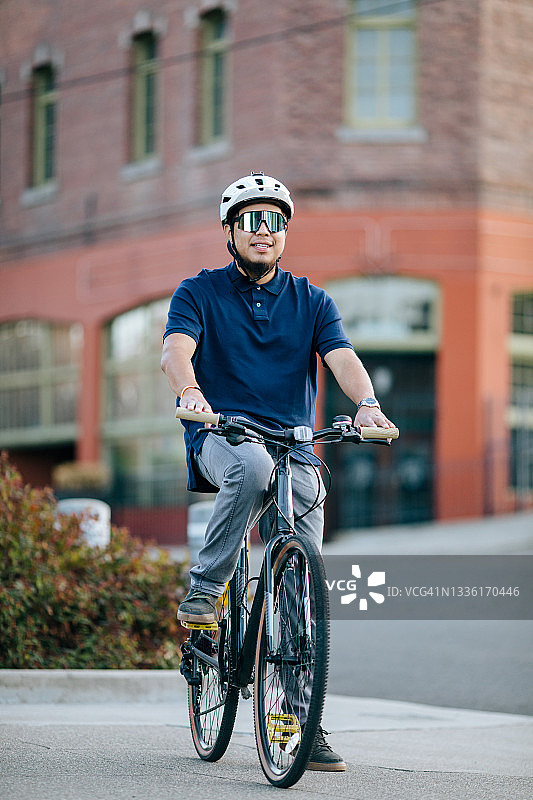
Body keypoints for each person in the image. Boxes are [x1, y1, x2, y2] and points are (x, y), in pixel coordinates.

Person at [162, 172, 395, 771]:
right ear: (229, 231)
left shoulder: (312, 300)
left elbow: (343, 359)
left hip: (293, 444)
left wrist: (366, 404)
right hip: (223, 436)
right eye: (249, 220)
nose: (262, 232)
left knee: (299, 577)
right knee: (253, 465)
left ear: (285, 232)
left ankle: (300, 718)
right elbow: (175, 349)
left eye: (273, 221)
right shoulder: (199, 291)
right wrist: (189, 391)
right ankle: (208, 587)